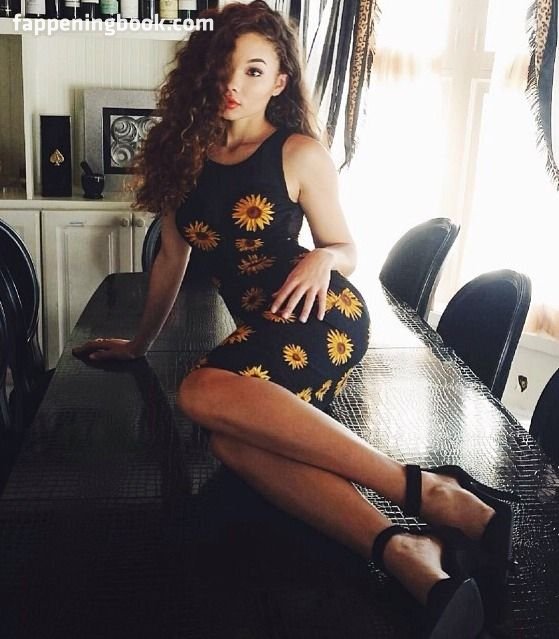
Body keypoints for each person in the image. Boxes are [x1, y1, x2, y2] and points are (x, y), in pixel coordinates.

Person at [73, 2, 514, 637]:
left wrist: (323, 258)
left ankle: (423, 491)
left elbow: (346, 248)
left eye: (254, 71)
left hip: (322, 317)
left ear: (279, 82)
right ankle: (406, 550)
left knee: (198, 392)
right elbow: (171, 257)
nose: (234, 84)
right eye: (224, 67)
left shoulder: (297, 152)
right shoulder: (181, 155)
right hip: (261, 334)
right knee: (229, 442)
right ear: (202, 70)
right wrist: (139, 344)